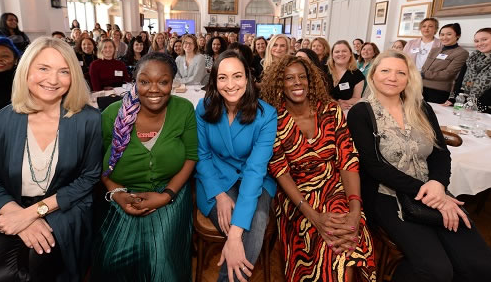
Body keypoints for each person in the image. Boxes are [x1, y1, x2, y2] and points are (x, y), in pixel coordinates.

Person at [347, 50, 491, 282]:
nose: (392, 77)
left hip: (432, 189)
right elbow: (374, 166)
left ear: (409, 78)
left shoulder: (422, 108)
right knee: (435, 270)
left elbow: (440, 153)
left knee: (484, 269)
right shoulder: (361, 112)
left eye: (401, 72)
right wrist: (429, 193)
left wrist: (438, 185)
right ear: (373, 74)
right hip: (386, 195)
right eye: (385, 70)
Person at [0, 37, 103, 281]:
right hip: (10, 207)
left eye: (63, 71)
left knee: (28, 269)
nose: (53, 79)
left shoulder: (88, 120)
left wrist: (33, 213)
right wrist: (21, 216)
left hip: (66, 208)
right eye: (43, 68)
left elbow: (88, 178)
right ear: (26, 70)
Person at [261, 56, 376, 281]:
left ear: (311, 80)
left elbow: (348, 160)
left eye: (302, 77)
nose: (297, 83)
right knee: (326, 241)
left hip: (335, 187)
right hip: (296, 195)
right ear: (279, 83)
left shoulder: (331, 111)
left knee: (346, 241)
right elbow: (280, 170)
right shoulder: (273, 119)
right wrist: (313, 216)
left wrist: (355, 210)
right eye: (289, 78)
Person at [92, 52, 198, 281]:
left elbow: (191, 156)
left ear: (172, 83)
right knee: (112, 261)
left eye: (163, 82)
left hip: (171, 191)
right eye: (144, 81)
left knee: (161, 260)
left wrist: (166, 195)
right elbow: (100, 165)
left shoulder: (184, 109)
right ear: (134, 81)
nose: (154, 89)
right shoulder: (112, 115)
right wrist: (118, 194)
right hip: (122, 193)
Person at [195, 50, 276, 282]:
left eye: (237, 76)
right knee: (241, 223)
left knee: (257, 218)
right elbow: (202, 156)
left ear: (248, 79)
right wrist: (219, 195)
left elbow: (255, 170)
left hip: (254, 181)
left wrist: (233, 239)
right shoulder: (203, 108)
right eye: (223, 77)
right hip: (215, 181)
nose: (230, 84)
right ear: (214, 81)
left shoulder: (266, 115)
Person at [421, 23, 469, 104]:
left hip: (439, 91)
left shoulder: (462, 53)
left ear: (458, 36)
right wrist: (423, 73)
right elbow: (424, 68)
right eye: (442, 34)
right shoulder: (435, 50)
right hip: (420, 88)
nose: (444, 37)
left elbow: (447, 74)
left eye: (449, 34)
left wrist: (424, 74)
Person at [327, 40, 365, 110]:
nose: (340, 54)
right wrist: (335, 104)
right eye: (337, 52)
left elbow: (356, 98)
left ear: (350, 53)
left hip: (344, 111)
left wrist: (345, 102)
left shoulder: (357, 75)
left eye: (344, 51)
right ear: (332, 55)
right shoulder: (323, 70)